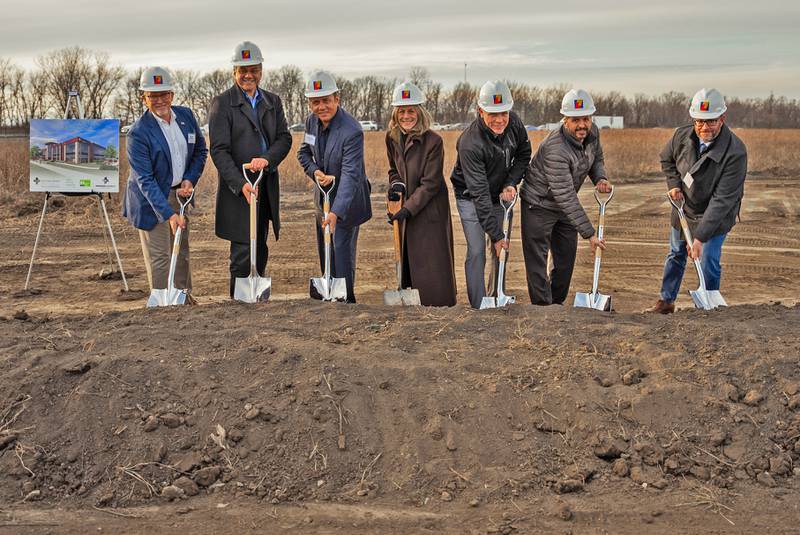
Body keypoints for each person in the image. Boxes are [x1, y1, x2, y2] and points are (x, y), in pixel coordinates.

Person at [649, 88, 747, 313]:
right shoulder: (681, 136)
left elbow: (722, 200)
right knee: (676, 254)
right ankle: (666, 301)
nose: (704, 127)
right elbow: (667, 160)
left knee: (708, 259)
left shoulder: (735, 152)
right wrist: (674, 185)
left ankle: (709, 304)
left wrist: (700, 238)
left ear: (722, 119)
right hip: (684, 207)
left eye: (711, 121)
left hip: (715, 214)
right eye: (699, 121)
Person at [208, 41, 292, 298]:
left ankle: (256, 297)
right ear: (234, 72)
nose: (248, 75)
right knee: (243, 249)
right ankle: (240, 301)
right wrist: (238, 183)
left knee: (260, 244)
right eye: (243, 70)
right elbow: (219, 150)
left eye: (253, 70)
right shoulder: (222, 103)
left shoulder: (272, 101)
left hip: (264, 184)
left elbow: (284, 138)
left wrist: (267, 159)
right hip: (240, 188)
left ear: (261, 71)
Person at [520, 89, 612, 306]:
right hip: (538, 204)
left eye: (586, 119)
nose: (582, 125)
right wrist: (589, 234)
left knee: (565, 260)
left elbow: (596, 156)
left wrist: (600, 177)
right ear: (565, 121)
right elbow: (566, 196)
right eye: (575, 120)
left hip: (563, 206)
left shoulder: (592, 133)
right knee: (537, 260)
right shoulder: (556, 149)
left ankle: (556, 306)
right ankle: (542, 308)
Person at [122, 66, 207, 299]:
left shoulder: (186, 117)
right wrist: (169, 214)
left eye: (164, 94)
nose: (159, 100)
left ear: (172, 95)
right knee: (161, 255)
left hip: (179, 193)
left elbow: (200, 150)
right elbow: (145, 180)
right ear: (144, 98)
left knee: (181, 250)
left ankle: (183, 299)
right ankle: (162, 305)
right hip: (151, 199)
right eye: (153, 95)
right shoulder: (138, 133)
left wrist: (190, 179)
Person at [450, 80, 531, 308]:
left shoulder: (514, 124)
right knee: (477, 250)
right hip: (470, 196)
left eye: (503, 112)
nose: (499, 119)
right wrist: (495, 235)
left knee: (501, 249)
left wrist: (510, 182)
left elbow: (524, 154)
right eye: (492, 113)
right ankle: (479, 304)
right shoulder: (469, 143)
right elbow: (479, 193)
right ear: (480, 111)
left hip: (500, 193)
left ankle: (496, 295)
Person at [297, 70, 372, 303]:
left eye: (326, 101)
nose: (321, 107)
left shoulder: (352, 131)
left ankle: (347, 300)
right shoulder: (311, 122)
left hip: (347, 203)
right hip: (324, 198)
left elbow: (351, 175)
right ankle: (329, 293)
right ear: (310, 103)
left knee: (341, 252)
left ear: (337, 99)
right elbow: (304, 153)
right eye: (316, 102)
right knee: (326, 250)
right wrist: (315, 171)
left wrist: (337, 212)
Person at [385, 81, 457, 306]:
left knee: (431, 261)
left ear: (420, 112)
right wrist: (396, 187)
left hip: (429, 209)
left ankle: (439, 304)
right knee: (410, 258)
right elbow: (393, 170)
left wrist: (408, 208)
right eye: (402, 111)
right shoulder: (392, 138)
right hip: (407, 206)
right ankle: (411, 299)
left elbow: (431, 183)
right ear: (396, 114)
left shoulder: (433, 141)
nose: (407, 116)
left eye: (411, 110)